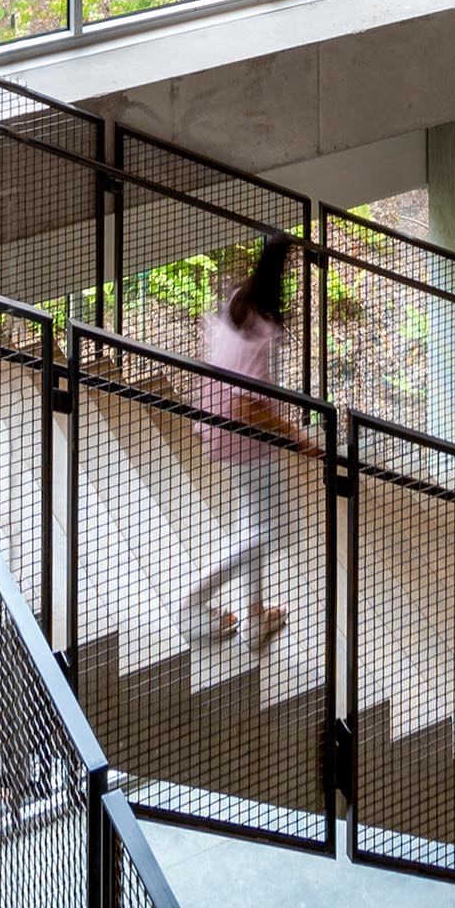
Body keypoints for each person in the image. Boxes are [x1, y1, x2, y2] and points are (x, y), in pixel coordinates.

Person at [184, 234, 303, 657]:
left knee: (254, 523)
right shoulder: (263, 329)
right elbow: (247, 405)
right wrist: (296, 435)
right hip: (243, 437)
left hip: (217, 425)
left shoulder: (239, 301)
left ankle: (254, 617)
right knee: (266, 530)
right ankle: (193, 602)